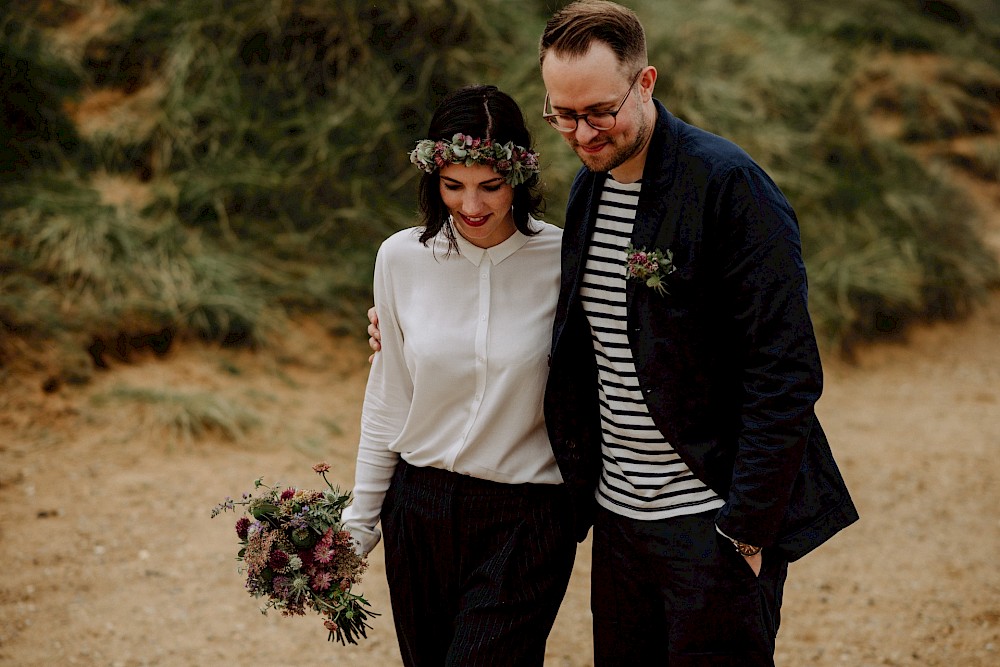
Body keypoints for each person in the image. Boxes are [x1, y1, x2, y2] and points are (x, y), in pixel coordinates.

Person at [369, 2, 858, 664]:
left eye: (599, 110)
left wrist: (745, 529)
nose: (583, 131)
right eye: (562, 114)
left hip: (707, 525)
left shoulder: (728, 185)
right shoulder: (588, 195)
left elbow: (786, 369)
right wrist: (410, 332)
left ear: (646, 82)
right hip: (618, 526)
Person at [341, 84, 576, 667]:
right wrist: (359, 524)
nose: (471, 205)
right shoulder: (399, 258)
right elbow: (390, 395)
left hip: (526, 518)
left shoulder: (566, 261)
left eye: (489, 186)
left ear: (518, 177)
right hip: (418, 511)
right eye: (453, 186)